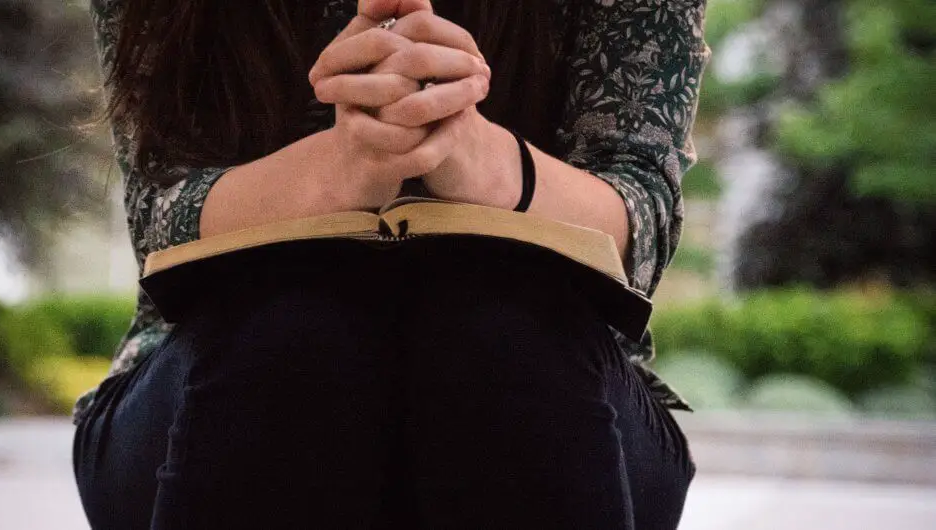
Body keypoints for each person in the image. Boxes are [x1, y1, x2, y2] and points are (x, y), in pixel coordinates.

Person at [72, 0, 710, 528]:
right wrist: (337, 167)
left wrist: (476, 154)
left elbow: (642, 228)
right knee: (293, 331)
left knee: (502, 333)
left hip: (556, 382)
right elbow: (157, 222)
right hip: (218, 376)